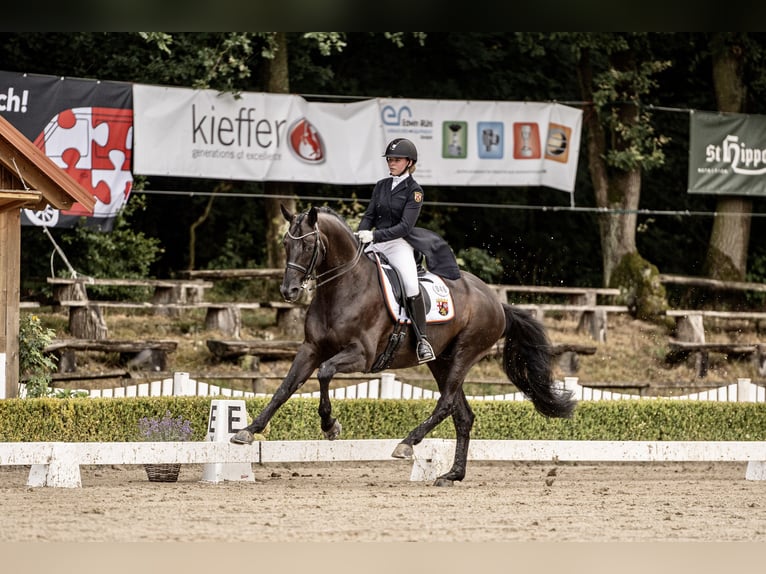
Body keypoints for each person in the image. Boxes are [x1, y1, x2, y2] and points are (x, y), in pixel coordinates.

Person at [356, 138, 460, 364]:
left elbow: (405, 226)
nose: (391, 163)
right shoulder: (382, 185)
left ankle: (423, 341)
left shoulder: (415, 191)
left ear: (409, 162)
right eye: (390, 159)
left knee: (411, 285)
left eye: (396, 160)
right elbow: (369, 215)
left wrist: (374, 235)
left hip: (398, 243)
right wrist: (361, 234)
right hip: (375, 242)